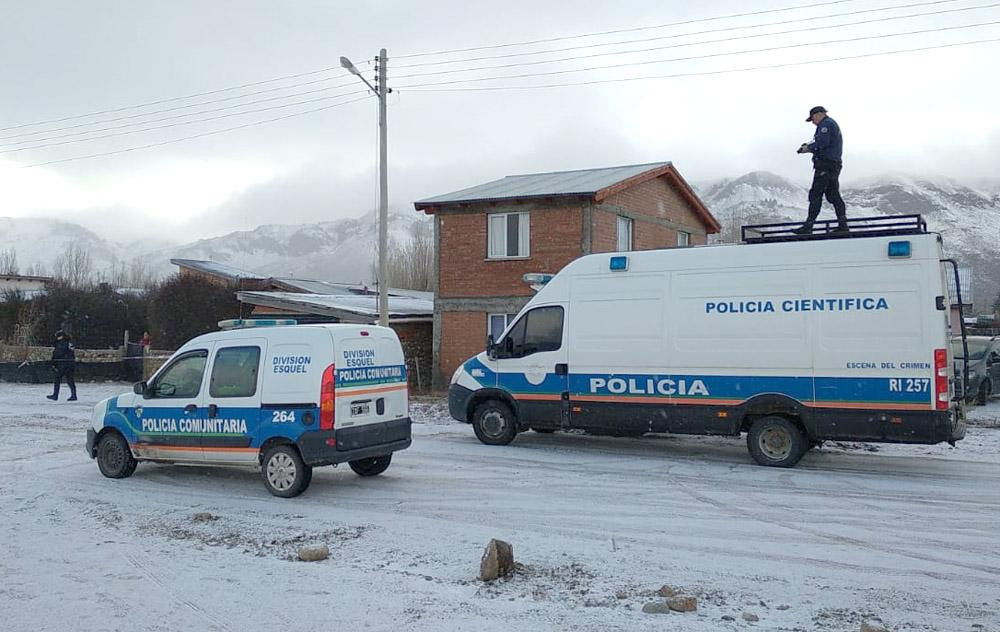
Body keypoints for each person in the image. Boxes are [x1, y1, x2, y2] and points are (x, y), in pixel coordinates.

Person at [795, 106, 848, 234]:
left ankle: (809, 226)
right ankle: (843, 225)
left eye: (812, 118)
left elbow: (823, 142)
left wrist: (808, 148)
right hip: (833, 165)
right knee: (833, 195)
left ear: (819, 114)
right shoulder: (830, 124)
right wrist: (810, 146)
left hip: (826, 165)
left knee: (816, 194)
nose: (813, 122)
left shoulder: (826, 124)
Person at [47, 330, 77, 401]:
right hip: (70, 364)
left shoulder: (61, 343)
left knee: (57, 379)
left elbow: (58, 353)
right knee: (70, 380)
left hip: (62, 364)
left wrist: (53, 362)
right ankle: (74, 395)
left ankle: (55, 395)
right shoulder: (70, 343)